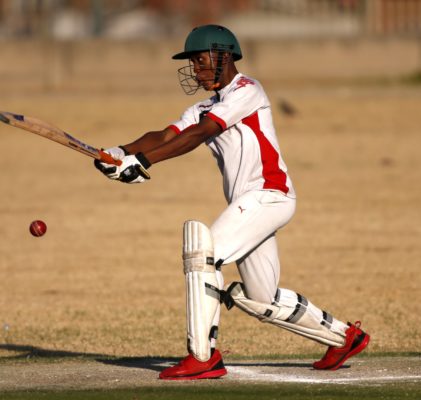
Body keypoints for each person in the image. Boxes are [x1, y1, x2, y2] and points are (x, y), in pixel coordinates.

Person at [94, 24, 370, 380]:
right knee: (261, 297)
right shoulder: (204, 106)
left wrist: (143, 163)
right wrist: (121, 151)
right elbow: (165, 135)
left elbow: (201, 133)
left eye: (201, 60)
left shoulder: (247, 90)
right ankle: (344, 338)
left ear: (224, 57)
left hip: (268, 194)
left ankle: (203, 356)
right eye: (193, 63)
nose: (196, 70)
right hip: (254, 203)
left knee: (203, 254)